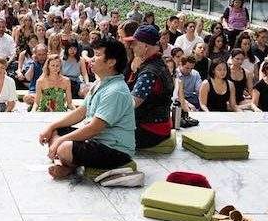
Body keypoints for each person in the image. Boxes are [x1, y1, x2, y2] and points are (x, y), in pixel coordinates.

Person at [38, 37, 135, 179]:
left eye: (98, 55)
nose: (92, 59)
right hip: (96, 140)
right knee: (56, 131)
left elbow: (93, 129)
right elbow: (81, 112)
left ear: (111, 62)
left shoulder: (116, 90)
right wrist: (52, 126)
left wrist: (60, 141)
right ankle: (66, 164)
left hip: (115, 150)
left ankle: (66, 163)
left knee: (64, 147)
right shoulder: (99, 83)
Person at [125, 25, 174, 149]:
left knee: (104, 135)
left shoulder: (150, 72)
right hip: (158, 126)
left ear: (145, 46)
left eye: (135, 44)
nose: (131, 47)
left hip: (151, 130)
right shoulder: (158, 63)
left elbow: (132, 103)